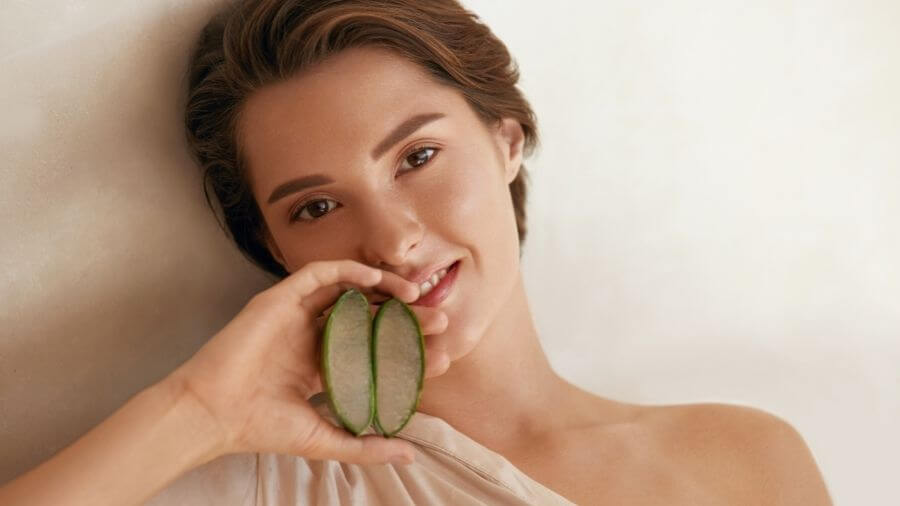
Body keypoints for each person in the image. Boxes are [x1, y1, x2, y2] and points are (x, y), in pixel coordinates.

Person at [0, 0, 834, 504]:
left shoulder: (745, 459)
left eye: (417, 157)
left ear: (507, 140)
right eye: (317, 206)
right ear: (276, 248)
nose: (394, 238)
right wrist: (199, 412)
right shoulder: (264, 481)